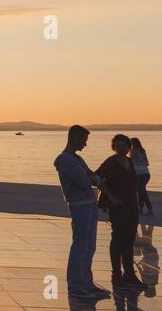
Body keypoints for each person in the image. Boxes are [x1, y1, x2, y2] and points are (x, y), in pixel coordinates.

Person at [54, 125, 111, 300]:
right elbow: (86, 181)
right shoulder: (66, 160)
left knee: (89, 247)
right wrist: (93, 179)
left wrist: (93, 178)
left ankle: (86, 283)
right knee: (80, 246)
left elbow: (92, 177)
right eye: (84, 140)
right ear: (74, 138)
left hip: (89, 205)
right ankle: (76, 285)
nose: (85, 144)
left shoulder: (77, 159)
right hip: (80, 206)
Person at [94, 133, 145, 290]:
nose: (120, 148)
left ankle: (129, 274)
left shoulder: (130, 162)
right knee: (117, 240)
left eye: (123, 145)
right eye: (117, 145)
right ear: (113, 147)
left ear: (129, 147)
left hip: (131, 206)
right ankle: (116, 274)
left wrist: (138, 201)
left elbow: (134, 184)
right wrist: (110, 197)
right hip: (118, 207)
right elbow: (96, 178)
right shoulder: (111, 162)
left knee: (129, 240)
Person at [130, 138, 153, 216]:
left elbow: (131, 162)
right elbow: (147, 163)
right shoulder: (143, 150)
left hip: (139, 174)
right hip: (146, 173)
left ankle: (149, 208)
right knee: (140, 190)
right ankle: (141, 208)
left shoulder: (133, 151)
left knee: (142, 191)